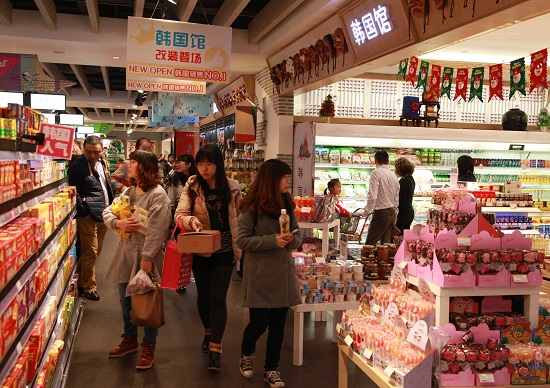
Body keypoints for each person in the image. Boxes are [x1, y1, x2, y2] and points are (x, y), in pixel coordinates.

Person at [174, 144, 242, 371]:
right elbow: (180, 214)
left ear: (218, 164)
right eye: (200, 163)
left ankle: (216, 347)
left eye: (209, 163)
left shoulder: (232, 187)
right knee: (203, 295)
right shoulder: (192, 185)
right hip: (200, 246)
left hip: (224, 250)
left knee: (217, 297)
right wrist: (189, 221)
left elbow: (240, 217)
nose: (204, 168)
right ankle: (208, 331)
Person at [103, 150, 172, 370]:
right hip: (125, 253)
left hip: (145, 255)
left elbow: (157, 229)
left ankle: (148, 346)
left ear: (144, 167)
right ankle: (130, 339)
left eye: (132, 162)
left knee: (148, 303)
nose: (128, 166)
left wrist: (148, 257)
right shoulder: (130, 191)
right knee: (125, 302)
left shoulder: (158, 194)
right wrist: (118, 224)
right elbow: (109, 211)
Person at [237, 159, 302, 388]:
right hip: (260, 274)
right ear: (272, 179)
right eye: (285, 177)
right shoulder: (251, 207)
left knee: (278, 325)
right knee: (259, 322)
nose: (288, 181)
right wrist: (272, 240)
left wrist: (293, 239)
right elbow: (242, 240)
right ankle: (246, 353)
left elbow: (297, 234)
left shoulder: (287, 203)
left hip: (283, 274)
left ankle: (271, 369)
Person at [68, 135, 114, 301]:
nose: (93, 155)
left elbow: (104, 185)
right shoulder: (77, 167)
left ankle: (79, 280)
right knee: (90, 252)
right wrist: (84, 210)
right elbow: (74, 191)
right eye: (89, 152)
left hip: (103, 214)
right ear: (83, 150)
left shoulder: (102, 163)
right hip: (88, 216)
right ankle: (88, 288)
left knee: (95, 251)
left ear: (101, 150)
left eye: (96, 152)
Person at [362, 151, 400, 245]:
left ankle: (368, 259)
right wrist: (395, 215)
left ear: (375, 161)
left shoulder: (376, 173)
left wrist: (366, 212)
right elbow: (396, 198)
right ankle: (383, 260)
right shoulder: (393, 175)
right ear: (388, 161)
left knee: (369, 245)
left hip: (381, 213)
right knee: (384, 246)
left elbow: (372, 195)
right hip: (391, 212)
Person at [394, 157, 416, 234]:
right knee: (404, 236)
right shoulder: (411, 179)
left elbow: (401, 200)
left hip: (402, 213)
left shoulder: (403, 182)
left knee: (395, 236)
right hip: (409, 211)